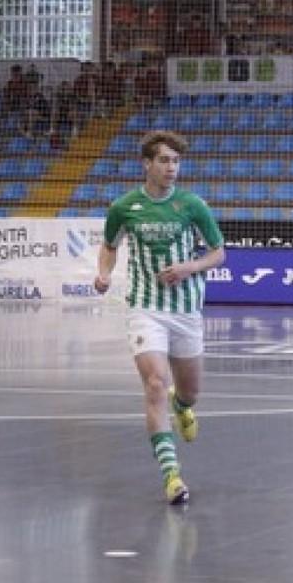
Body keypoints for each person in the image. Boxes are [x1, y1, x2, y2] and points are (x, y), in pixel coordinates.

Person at [93, 130, 226, 505]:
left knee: (190, 391)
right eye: (164, 160)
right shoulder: (123, 208)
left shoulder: (192, 205)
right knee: (154, 383)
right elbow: (109, 246)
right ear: (146, 164)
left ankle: (181, 406)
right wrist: (103, 273)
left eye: (176, 161)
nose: (172, 168)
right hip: (144, 308)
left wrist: (189, 267)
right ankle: (172, 476)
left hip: (185, 310)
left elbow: (218, 254)